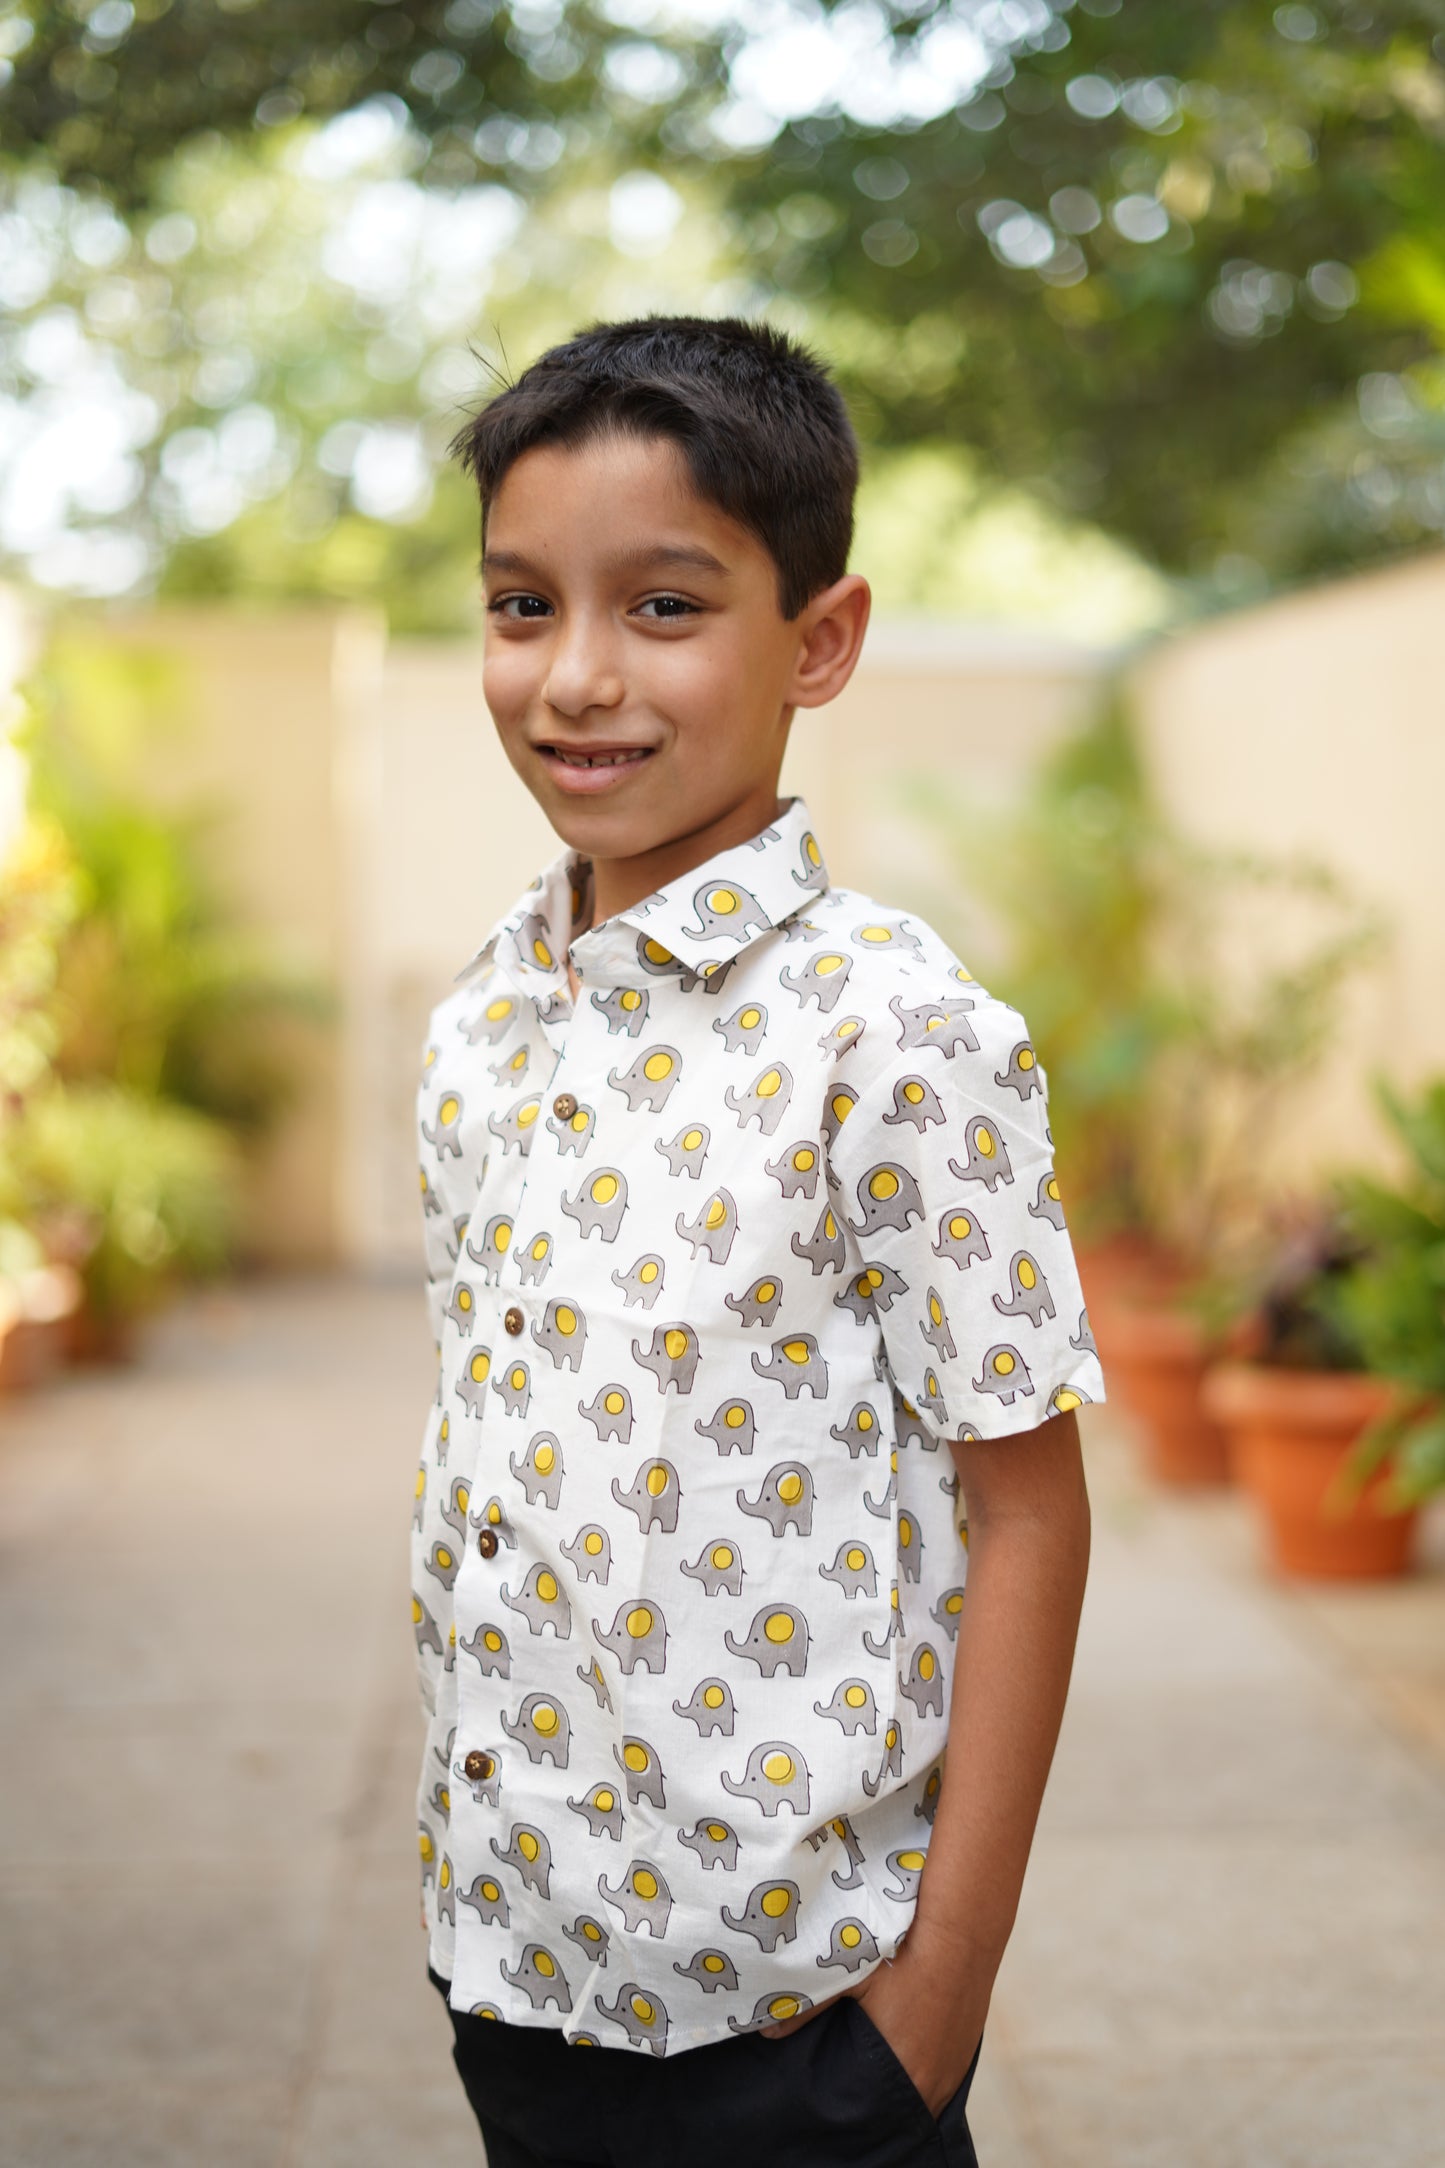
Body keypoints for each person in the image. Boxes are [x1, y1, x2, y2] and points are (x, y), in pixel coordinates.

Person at [411, 315, 1105, 2168]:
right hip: (513, 1969)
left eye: (660, 607)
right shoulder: (489, 1014)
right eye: (515, 605)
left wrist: (933, 2004)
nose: (571, 679)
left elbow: (1027, 1503)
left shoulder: (896, 1034)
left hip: (799, 2031)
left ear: (818, 639)